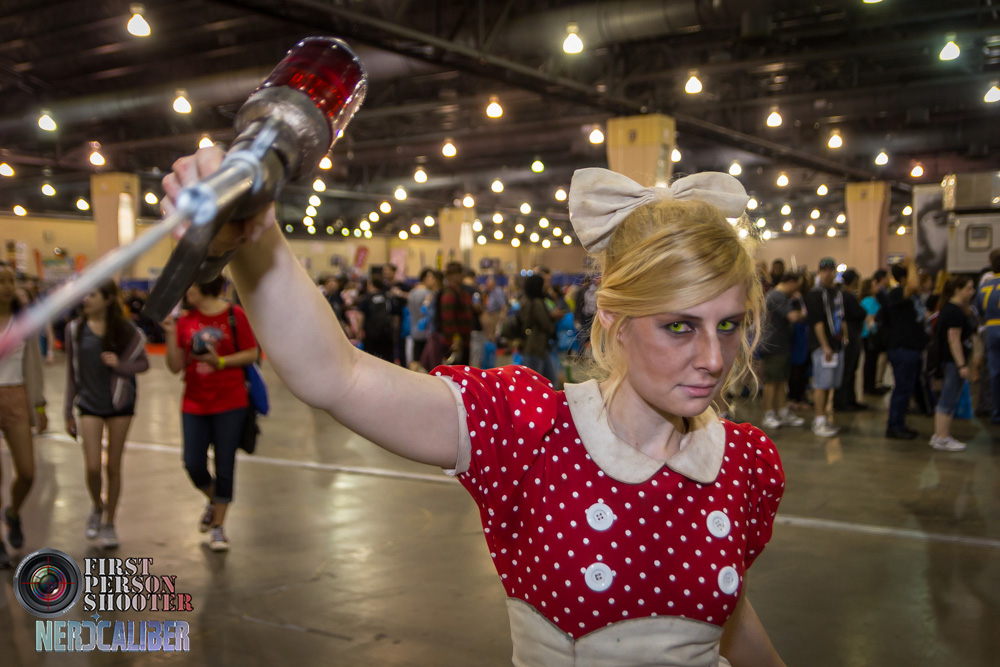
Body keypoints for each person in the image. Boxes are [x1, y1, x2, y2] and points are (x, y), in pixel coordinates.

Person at [162, 150, 786, 666]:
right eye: (680, 326)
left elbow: (724, 618)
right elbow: (336, 375)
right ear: (614, 319)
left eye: (729, 325)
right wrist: (255, 235)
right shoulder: (529, 429)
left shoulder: (744, 465)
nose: (713, 357)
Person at [162, 276, 259, 552]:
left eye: (190, 285)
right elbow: (175, 366)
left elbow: (252, 353)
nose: (186, 291)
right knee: (193, 463)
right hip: (194, 401)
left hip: (231, 401)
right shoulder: (185, 320)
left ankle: (218, 527)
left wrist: (221, 361)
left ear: (204, 285)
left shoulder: (234, 314)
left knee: (225, 464)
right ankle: (215, 501)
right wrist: (170, 333)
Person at [63, 280, 149, 548]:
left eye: (92, 294)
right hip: (89, 403)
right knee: (92, 466)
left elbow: (143, 363)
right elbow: (71, 372)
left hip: (120, 404)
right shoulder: (74, 329)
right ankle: (97, 507)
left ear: (108, 299)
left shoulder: (126, 329)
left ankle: (110, 522)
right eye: (85, 294)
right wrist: (67, 411)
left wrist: (120, 365)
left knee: (113, 466)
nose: (86, 299)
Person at [0, 262, 46, 568]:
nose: (6, 286)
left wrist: (39, 405)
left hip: (16, 396)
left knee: (27, 472)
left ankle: (13, 513)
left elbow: (35, 366)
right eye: (0, 281)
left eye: (10, 281)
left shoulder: (24, 321)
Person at [931, 276, 978, 451]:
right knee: (948, 398)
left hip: (951, 361)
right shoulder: (953, 312)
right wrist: (961, 365)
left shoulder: (952, 309)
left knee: (949, 398)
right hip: (952, 362)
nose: (971, 292)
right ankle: (941, 437)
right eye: (968, 288)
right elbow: (954, 340)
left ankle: (941, 434)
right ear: (958, 290)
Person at [884, 259, 927, 440]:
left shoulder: (912, 296)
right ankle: (894, 426)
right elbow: (913, 285)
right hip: (902, 349)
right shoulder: (897, 293)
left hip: (911, 348)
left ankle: (899, 423)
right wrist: (910, 264)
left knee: (906, 389)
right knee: (902, 389)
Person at [760, 272, 806, 430]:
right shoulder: (777, 296)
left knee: (780, 381)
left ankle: (782, 411)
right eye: (797, 286)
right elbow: (794, 317)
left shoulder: (781, 296)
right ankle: (768, 414)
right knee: (771, 381)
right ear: (790, 282)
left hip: (782, 345)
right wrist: (803, 313)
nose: (797, 290)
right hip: (774, 345)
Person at [804, 257, 845, 437]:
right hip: (823, 346)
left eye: (831, 270)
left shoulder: (836, 292)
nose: (828, 274)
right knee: (821, 383)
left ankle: (824, 417)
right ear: (820, 272)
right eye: (825, 270)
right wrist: (825, 346)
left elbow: (840, 316)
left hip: (836, 343)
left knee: (830, 384)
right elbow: (817, 322)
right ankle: (819, 419)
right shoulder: (816, 294)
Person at [833, 269, 867, 412]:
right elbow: (860, 313)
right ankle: (842, 401)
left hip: (854, 335)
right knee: (846, 370)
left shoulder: (847, 295)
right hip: (850, 336)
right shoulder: (845, 296)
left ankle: (850, 399)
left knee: (852, 369)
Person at [979, 249, 1000, 424]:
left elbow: (979, 311)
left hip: (991, 330)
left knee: (994, 373)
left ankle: (996, 411)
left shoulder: (984, 286)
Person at [407, 268, 438, 369]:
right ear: (426, 278)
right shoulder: (428, 294)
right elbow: (428, 312)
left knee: (415, 360)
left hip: (415, 330)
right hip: (426, 332)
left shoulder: (412, 292)